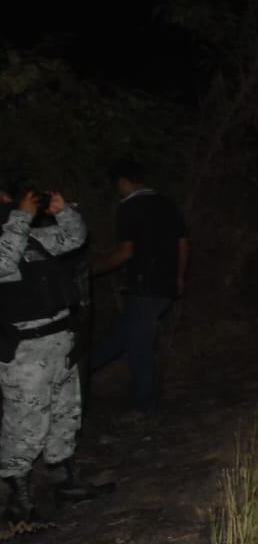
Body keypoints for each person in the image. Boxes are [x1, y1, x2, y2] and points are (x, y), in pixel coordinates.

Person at [0, 186, 89, 521]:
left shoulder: (29, 237)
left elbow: (73, 238)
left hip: (59, 343)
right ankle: (17, 501)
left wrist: (62, 210)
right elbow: (2, 261)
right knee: (24, 424)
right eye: (3, 197)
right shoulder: (12, 236)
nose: (9, 200)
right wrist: (20, 217)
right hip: (24, 351)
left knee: (65, 414)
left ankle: (64, 481)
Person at [90, 159, 188, 412]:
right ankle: (74, 376)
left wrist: (91, 271)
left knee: (138, 346)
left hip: (144, 286)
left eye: (117, 186)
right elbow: (182, 243)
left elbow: (125, 252)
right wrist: (179, 277)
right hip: (165, 285)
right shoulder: (167, 203)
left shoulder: (129, 207)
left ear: (123, 182)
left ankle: (146, 406)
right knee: (119, 339)